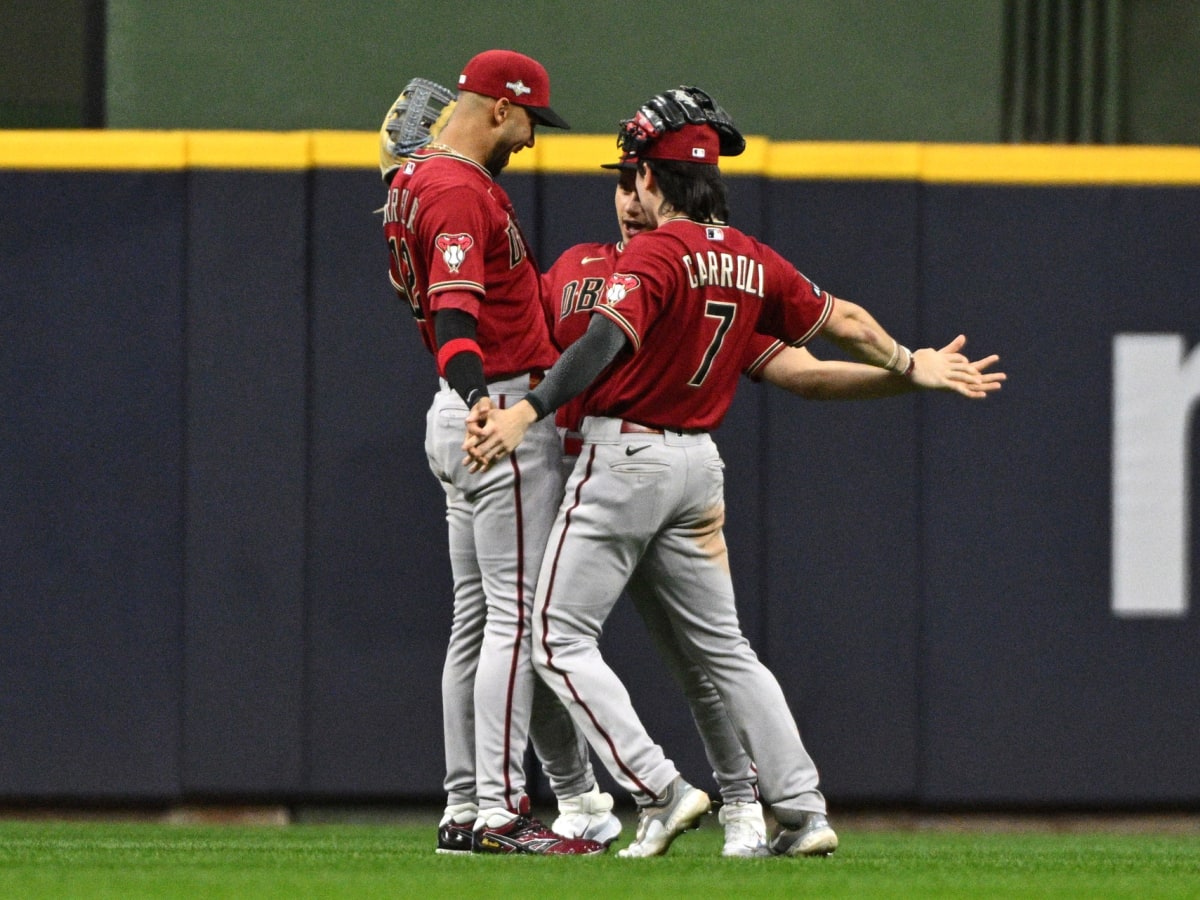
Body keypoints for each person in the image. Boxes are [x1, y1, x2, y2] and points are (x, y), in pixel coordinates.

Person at [465, 87, 1000, 858]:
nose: (630, 190)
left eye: (634, 174)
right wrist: (908, 363)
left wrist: (527, 409)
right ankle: (805, 809)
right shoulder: (748, 258)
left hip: (627, 457)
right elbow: (842, 322)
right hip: (697, 469)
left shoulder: (654, 252)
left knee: (551, 636)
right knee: (726, 652)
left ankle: (659, 788)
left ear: (651, 180)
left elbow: (601, 345)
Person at [379, 53, 617, 856]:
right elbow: (453, 315)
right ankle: (499, 812)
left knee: (476, 626)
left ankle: (462, 805)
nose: (533, 139)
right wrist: (486, 401)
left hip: (461, 411)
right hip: (496, 408)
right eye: (528, 122)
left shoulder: (415, 182)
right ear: (499, 109)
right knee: (515, 622)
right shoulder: (453, 189)